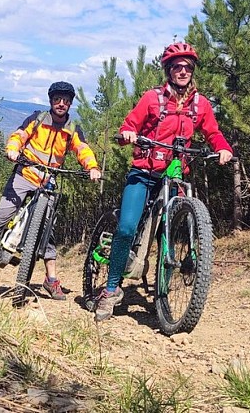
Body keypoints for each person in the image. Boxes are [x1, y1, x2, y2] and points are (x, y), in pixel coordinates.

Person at [94, 42, 233, 321]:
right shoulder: (152, 98)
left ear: (192, 71)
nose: (182, 71)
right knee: (126, 228)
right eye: (177, 67)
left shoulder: (200, 104)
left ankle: (164, 290)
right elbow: (129, 124)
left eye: (187, 67)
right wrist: (128, 134)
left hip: (174, 174)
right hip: (144, 172)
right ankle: (111, 291)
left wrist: (224, 148)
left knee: (166, 232)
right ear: (169, 70)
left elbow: (213, 132)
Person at [0, 81, 102, 300]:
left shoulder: (72, 127)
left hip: (48, 180)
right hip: (25, 174)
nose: (61, 104)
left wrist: (93, 167)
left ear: (70, 104)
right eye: (57, 99)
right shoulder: (38, 119)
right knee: (3, 215)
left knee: (48, 229)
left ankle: (51, 280)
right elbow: (19, 135)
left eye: (66, 101)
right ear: (51, 101)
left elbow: (82, 149)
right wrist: (12, 150)